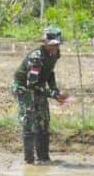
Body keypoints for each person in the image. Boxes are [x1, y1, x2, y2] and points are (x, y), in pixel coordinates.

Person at [12, 26, 69, 165]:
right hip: (25, 89)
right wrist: (54, 95)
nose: (55, 47)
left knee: (43, 121)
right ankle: (29, 161)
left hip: (38, 87)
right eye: (52, 44)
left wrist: (55, 89)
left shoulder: (54, 54)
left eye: (57, 44)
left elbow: (50, 73)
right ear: (45, 43)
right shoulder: (36, 58)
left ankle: (44, 158)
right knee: (30, 123)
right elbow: (32, 85)